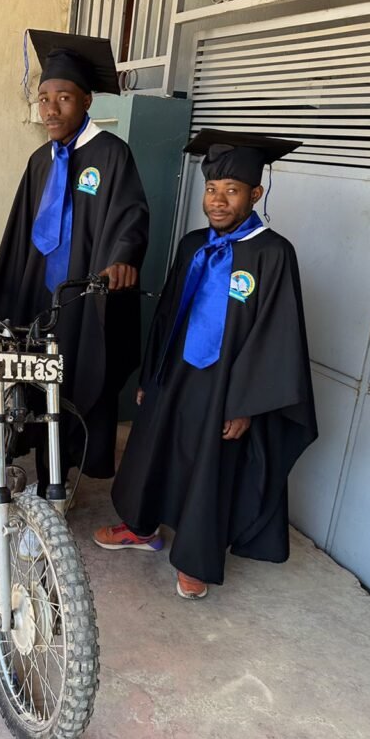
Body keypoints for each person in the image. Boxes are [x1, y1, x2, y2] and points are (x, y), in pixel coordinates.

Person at [93, 129, 318, 599]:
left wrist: (245, 404)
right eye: (211, 189)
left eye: (232, 191)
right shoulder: (192, 244)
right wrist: (150, 373)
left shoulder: (274, 254)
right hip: (175, 374)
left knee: (210, 467)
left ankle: (196, 558)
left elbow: (275, 339)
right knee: (152, 449)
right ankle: (141, 526)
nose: (218, 200)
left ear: (255, 194)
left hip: (224, 385)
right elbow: (168, 311)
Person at [0, 30, 149, 504]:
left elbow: (131, 217)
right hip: (38, 296)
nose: (50, 110)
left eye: (63, 98)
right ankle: (38, 466)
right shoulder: (39, 160)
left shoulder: (112, 155)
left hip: (82, 296)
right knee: (32, 379)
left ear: (86, 100)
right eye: (44, 99)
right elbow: (19, 233)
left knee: (77, 379)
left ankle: (64, 477)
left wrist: (121, 260)